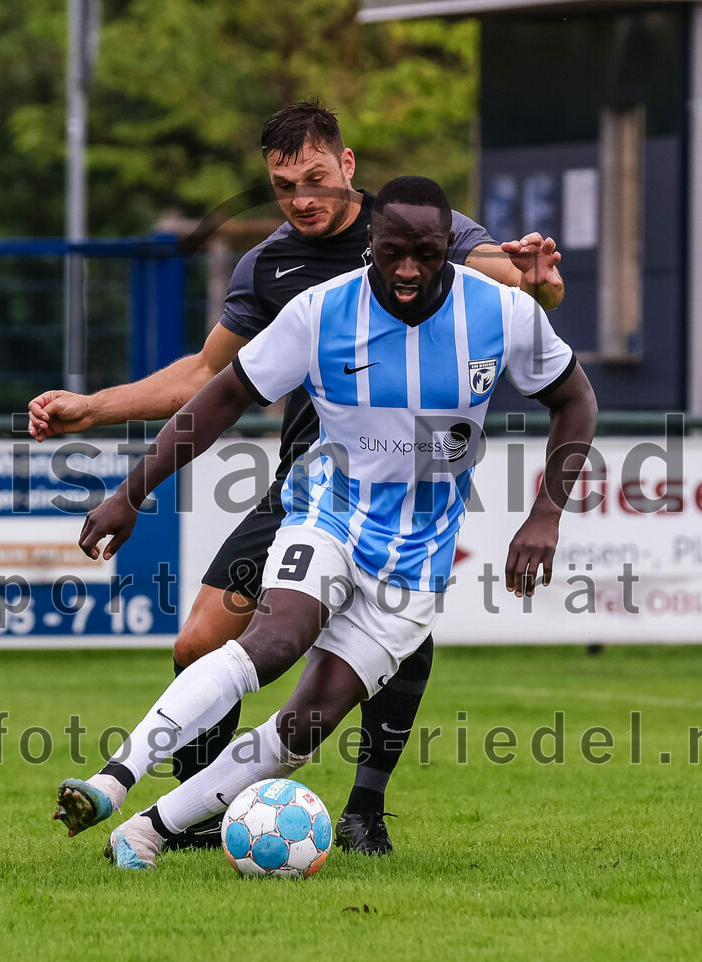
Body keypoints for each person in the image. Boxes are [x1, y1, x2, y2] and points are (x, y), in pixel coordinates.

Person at [33, 102, 566, 855]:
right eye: (284, 186)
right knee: (217, 642)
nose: (301, 198)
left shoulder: (421, 226)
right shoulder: (279, 272)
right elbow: (208, 378)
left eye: (314, 178)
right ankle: (171, 801)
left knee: (366, 669)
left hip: (417, 513)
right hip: (315, 486)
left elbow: (522, 292)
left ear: (349, 168)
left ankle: (360, 810)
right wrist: (99, 410)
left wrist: (540, 288)